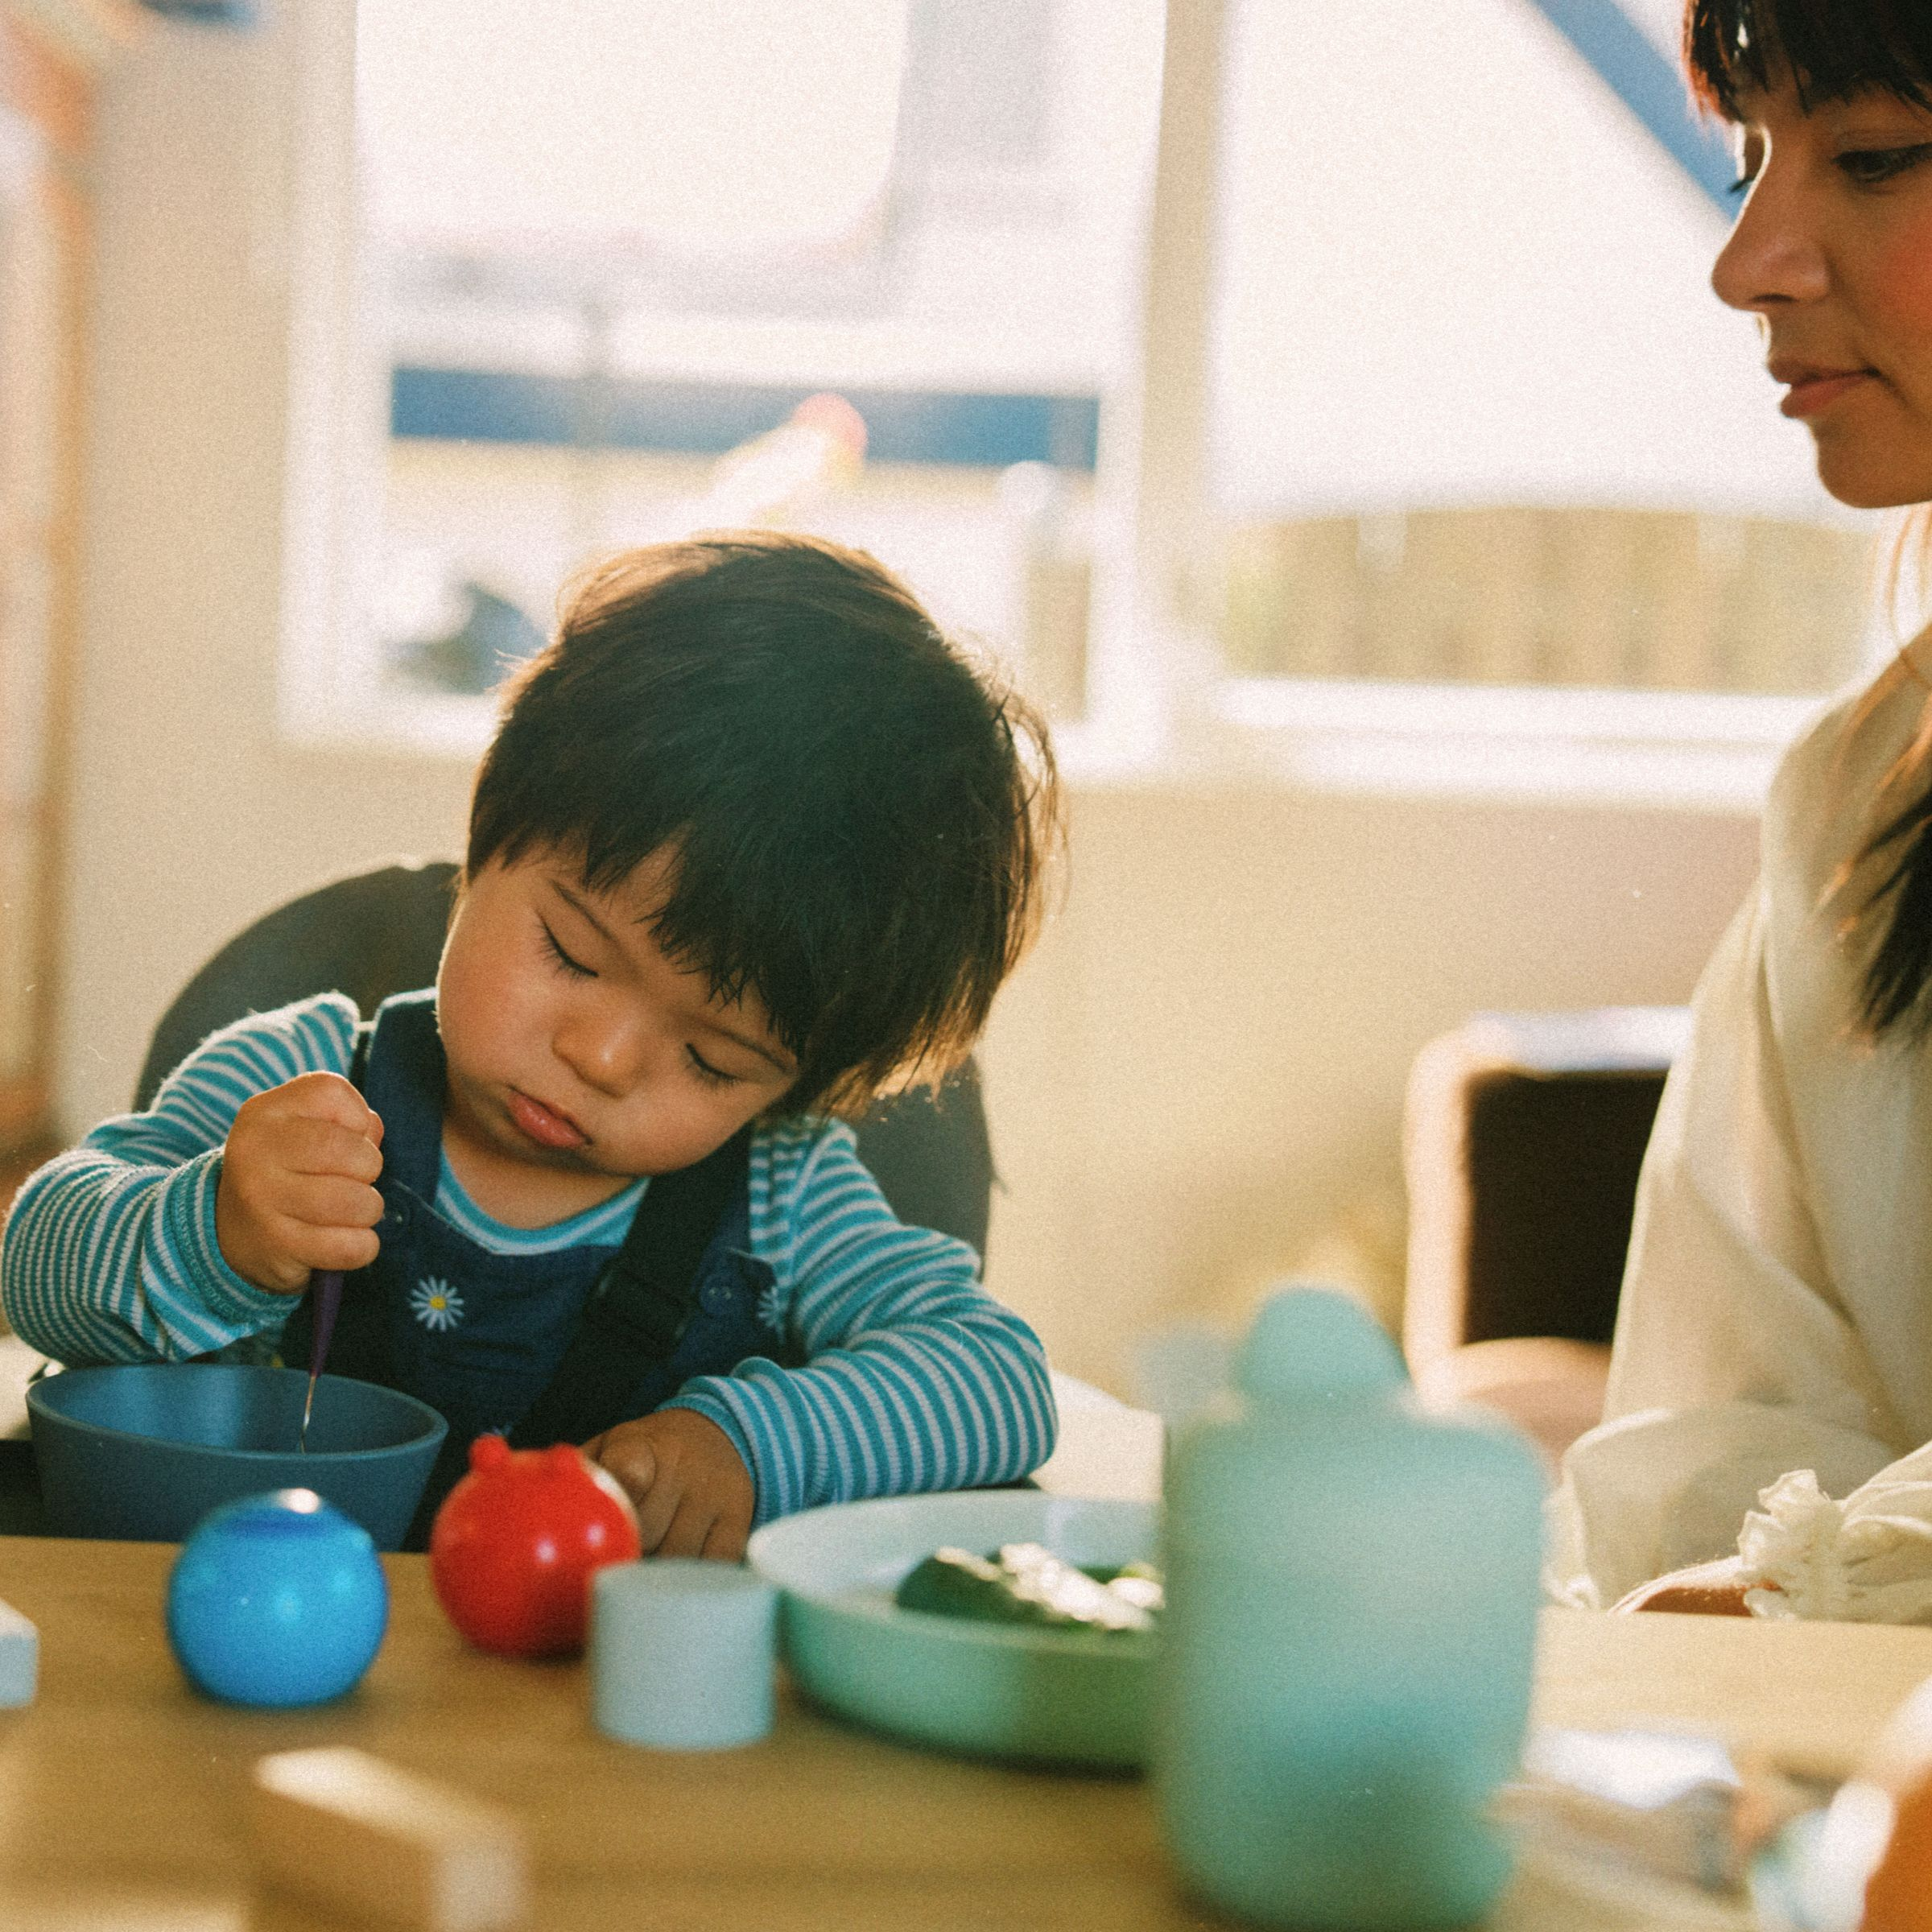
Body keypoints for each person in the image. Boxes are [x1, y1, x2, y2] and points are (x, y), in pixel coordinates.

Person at [0, 532, 1060, 1557]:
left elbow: (996, 1378)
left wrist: (749, 1445)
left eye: (713, 1060)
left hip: (585, 1718)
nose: (602, 1058)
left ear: (794, 1086)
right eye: (572, 954)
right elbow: (32, 1262)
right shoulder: (295, 1077)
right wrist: (212, 1228)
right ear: (483, 841)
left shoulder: (785, 1196)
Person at [1548, 0, 1932, 1620]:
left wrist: (1839, 1578)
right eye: (1752, 162)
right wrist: (1761, 1576)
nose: (1752, 259)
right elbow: (1743, 1404)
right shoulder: (1857, 802)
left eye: (1871, 156)